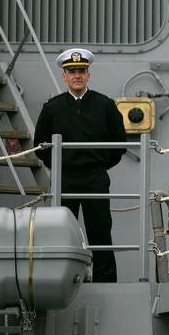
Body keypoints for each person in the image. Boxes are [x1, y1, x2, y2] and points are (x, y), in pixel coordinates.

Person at [35, 48, 126, 282]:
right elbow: (40, 145)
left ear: (88, 74)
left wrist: (99, 164)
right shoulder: (52, 108)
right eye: (72, 71)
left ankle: (106, 282)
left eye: (81, 71)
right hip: (65, 179)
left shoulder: (105, 105)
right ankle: (62, 280)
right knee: (63, 233)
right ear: (64, 76)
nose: (77, 75)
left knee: (101, 232)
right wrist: (61, 165)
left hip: (95, 178)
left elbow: (119, 144)